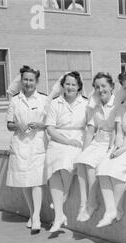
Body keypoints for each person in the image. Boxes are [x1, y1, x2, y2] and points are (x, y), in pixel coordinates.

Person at [95, 70, 126, 228]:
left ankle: (115, 210)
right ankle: (112, 210)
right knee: (102, 168)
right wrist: (116, 146)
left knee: (117, 170)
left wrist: (124, 149)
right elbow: (118, 130)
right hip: (123, 144)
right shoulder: (122, 107)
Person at [45, 71, 90, 232]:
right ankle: (59, 216)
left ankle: (62, 198)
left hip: (78, 138)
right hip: (58, 139)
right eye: (67, 84)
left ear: (79, 87)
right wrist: (65, 140)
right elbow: (50, 128)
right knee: (54, 168)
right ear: (62, 85)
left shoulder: (86, 103)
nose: (70, 87)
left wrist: (76, 142)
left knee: (66, 162)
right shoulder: (55, 103)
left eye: (73, 84)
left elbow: (90, 126)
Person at [6, 65, 47, 234]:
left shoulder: (44, 100)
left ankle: (36, 217)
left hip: (37, 144)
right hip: (21, 144)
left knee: (37, 181)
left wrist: (40, 125)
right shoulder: (15, 100)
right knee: (25, 182)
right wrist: (18, 125)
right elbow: (9, 124)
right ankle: (31, 213)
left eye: (31, 80)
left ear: (36, 81)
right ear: (21, 81)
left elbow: (51, 123)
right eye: (25, 80)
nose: (28, 83)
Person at [75, 72, 120, 223]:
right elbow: (90, 131)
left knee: (90, 164)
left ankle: (92, 202)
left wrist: (110, 149)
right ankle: (83, 203)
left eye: (104, 86)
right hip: (97, 141)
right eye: (97, 87)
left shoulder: (117, 104)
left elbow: (117, 129)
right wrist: (84, 150)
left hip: (110, 141)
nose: (101, 90)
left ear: (112, 86)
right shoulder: (96, 105)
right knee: (81, 160)